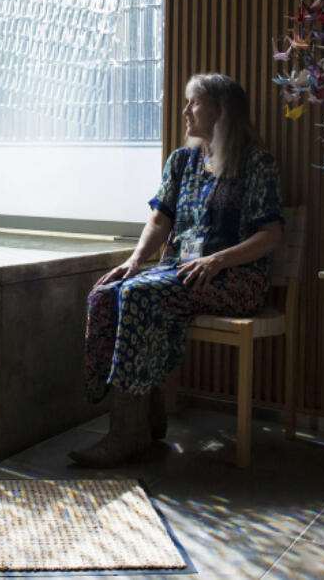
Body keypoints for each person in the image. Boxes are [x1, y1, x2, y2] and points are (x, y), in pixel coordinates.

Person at [69, 73, 284, 467]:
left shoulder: (257, 163)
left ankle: (126, 433)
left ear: (220, 110)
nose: (185, 111)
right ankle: (145, 419)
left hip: (235, 279)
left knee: (137, 296)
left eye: (193, 103)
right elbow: (159, 221)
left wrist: (219, 259)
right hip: (180, 273)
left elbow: (270, 235)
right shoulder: (182, 161)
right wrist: (135, 261)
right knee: (106, 293)